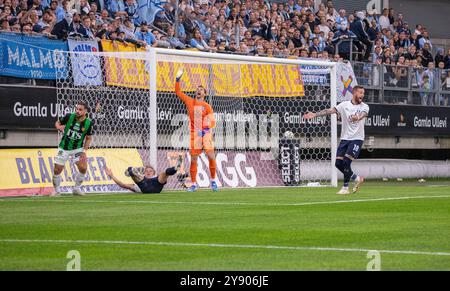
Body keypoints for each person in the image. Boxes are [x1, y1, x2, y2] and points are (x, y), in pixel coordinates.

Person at [303, 86, 369, 195]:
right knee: (338, 163)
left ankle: (345, 188)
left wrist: (357, 117)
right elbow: (330, 110)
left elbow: (363, 114)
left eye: (363, 93)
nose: (362, 95)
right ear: (354, 93)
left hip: (357, 139)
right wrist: (315, 114)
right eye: (360, 92)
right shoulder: (344, 105)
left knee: (346, 161)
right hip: (345, 138)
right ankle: (356, 178)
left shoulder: (364, 106)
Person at [175, 68, 218, 192]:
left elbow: (213, 122)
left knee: (211, 155)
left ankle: (213, 181)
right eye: (197, 89)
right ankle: (193, 184)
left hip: (205, 134)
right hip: (195, 134)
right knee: (194, 158)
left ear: (204, 93)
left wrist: (204, 131)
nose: (198, 90)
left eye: (201, 89)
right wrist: (178, 79)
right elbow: (177, 92)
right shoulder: (189, 101)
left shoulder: (207, 106)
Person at [52, 102, 94, 196]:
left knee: (83, 168)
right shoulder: (69, 117)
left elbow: (88, 138)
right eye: (77, 109)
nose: (77, 111)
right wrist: (58, 127)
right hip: (64, 147)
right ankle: (57, 190)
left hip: (77, 149)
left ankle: (76, 189)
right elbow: (57, 122)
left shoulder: (89, 123)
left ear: (85, 111)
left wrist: (84, 151)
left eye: (80, 109)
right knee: (57, 169)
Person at [105, 156, 183, 194]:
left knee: (164, 173)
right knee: (140, 180)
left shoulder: (156, 177)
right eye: (146, 171)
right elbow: (123, 185)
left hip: (157, 185)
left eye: (150, 171)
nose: (148, 172)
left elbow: (160, 178)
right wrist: (112, 176)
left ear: (154, 173)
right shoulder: (139, 182)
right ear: (144, 172)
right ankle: (132, 172)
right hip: (144, 186)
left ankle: (176, 167)